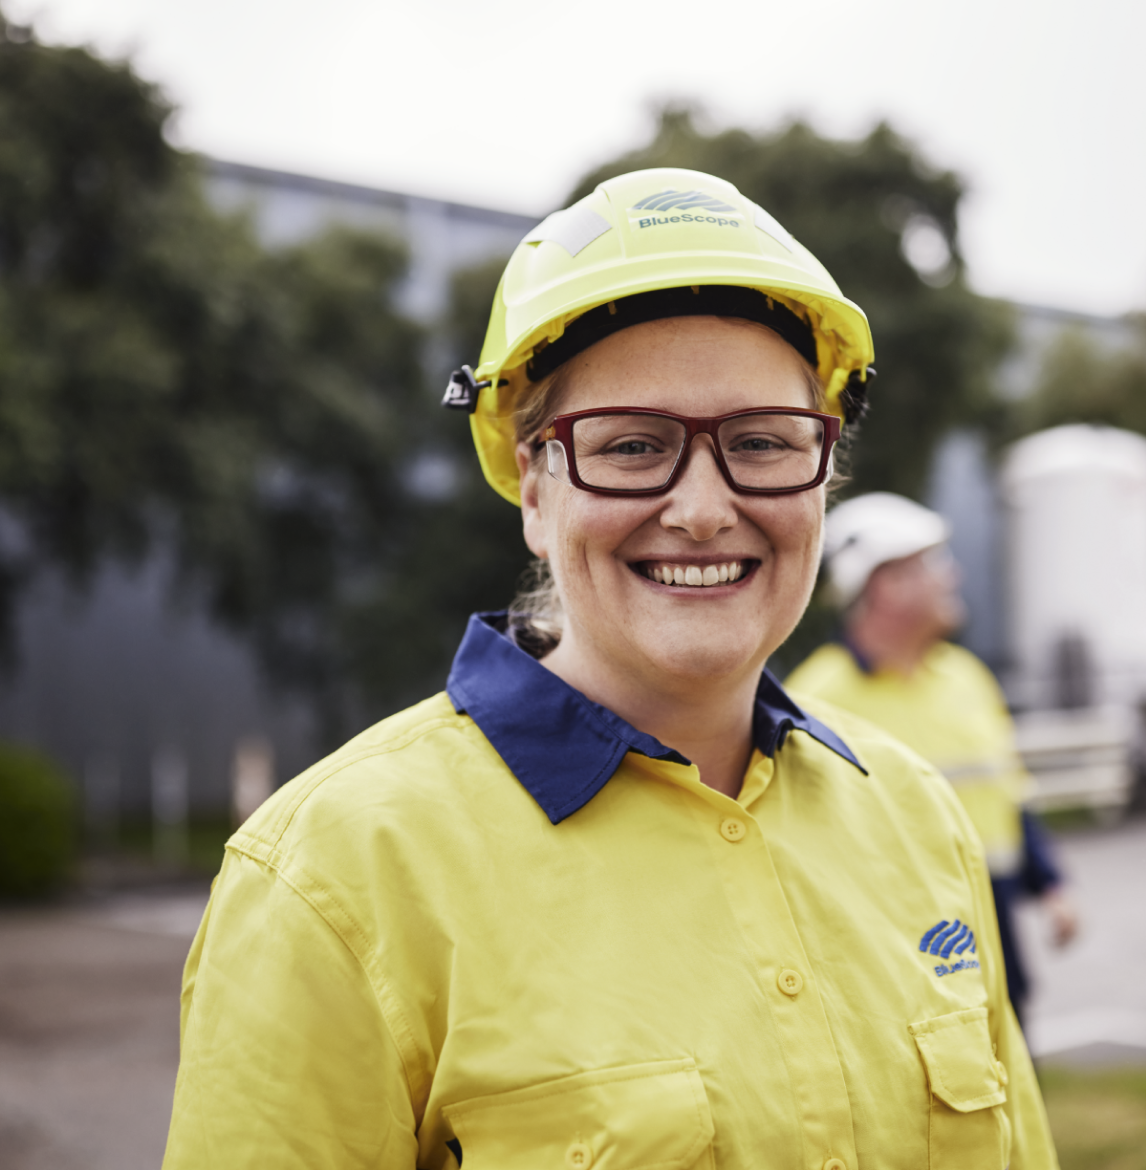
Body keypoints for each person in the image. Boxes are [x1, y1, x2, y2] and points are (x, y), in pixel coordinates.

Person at [162, 169, 1057, 1169]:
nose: (706, 508)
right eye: (632, 446)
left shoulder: (912, 816)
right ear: (534, 493)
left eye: (762, 442)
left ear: (824, 476)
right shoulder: (337, 876)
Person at [786, 493, 1078, 1026]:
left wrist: (1050, 883)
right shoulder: (813, 703)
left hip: (994, 921)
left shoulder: (967, 677)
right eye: (933, 563)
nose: (953, 576)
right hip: (893, 950)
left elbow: (1008, 790)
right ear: (886, 583)